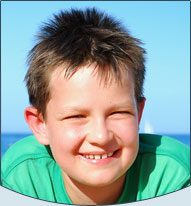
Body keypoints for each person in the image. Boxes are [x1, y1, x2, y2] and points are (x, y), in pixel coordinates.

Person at [1, 8, 190, 205]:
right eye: (76, 116)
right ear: (40, 125)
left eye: (119, 112)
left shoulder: (172, 173)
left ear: (138, 114)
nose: (101, 136)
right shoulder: (24, 176)